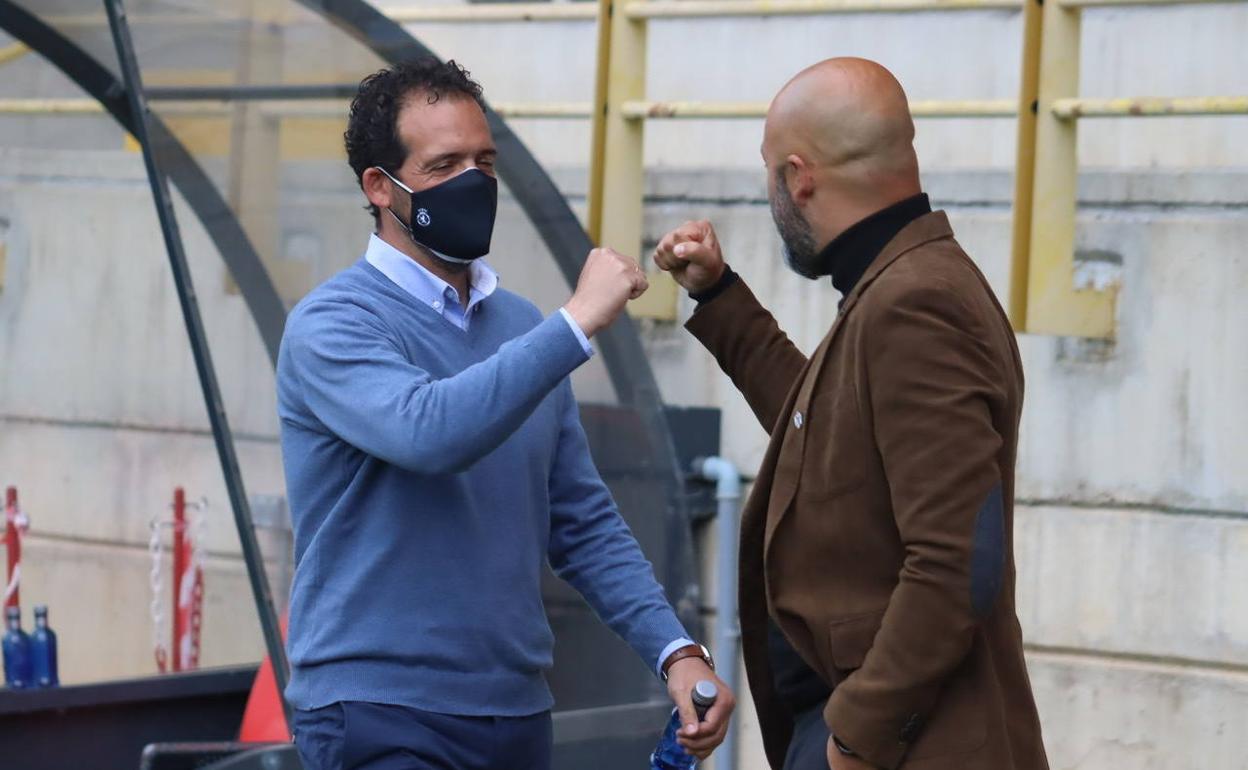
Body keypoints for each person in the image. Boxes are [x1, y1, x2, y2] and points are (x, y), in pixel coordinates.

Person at [277, 58, 733, 770]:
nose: (473, 182)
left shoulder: (522, 329)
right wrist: (575, 322)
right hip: (378, 714)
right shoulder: (333, 323)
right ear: (379, 187)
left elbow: (581, 521)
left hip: (515, 715)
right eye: (445, 164)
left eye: (484, 161)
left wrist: (676, 652)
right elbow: (429, 431)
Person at [653, 58, 1048, 770]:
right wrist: (720, 298)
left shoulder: (914, 302)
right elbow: (829, 441)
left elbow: (958, 558)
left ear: (799, 178)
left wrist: (855, 741)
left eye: (770, 172)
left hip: (908, 748)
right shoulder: (903, 283)